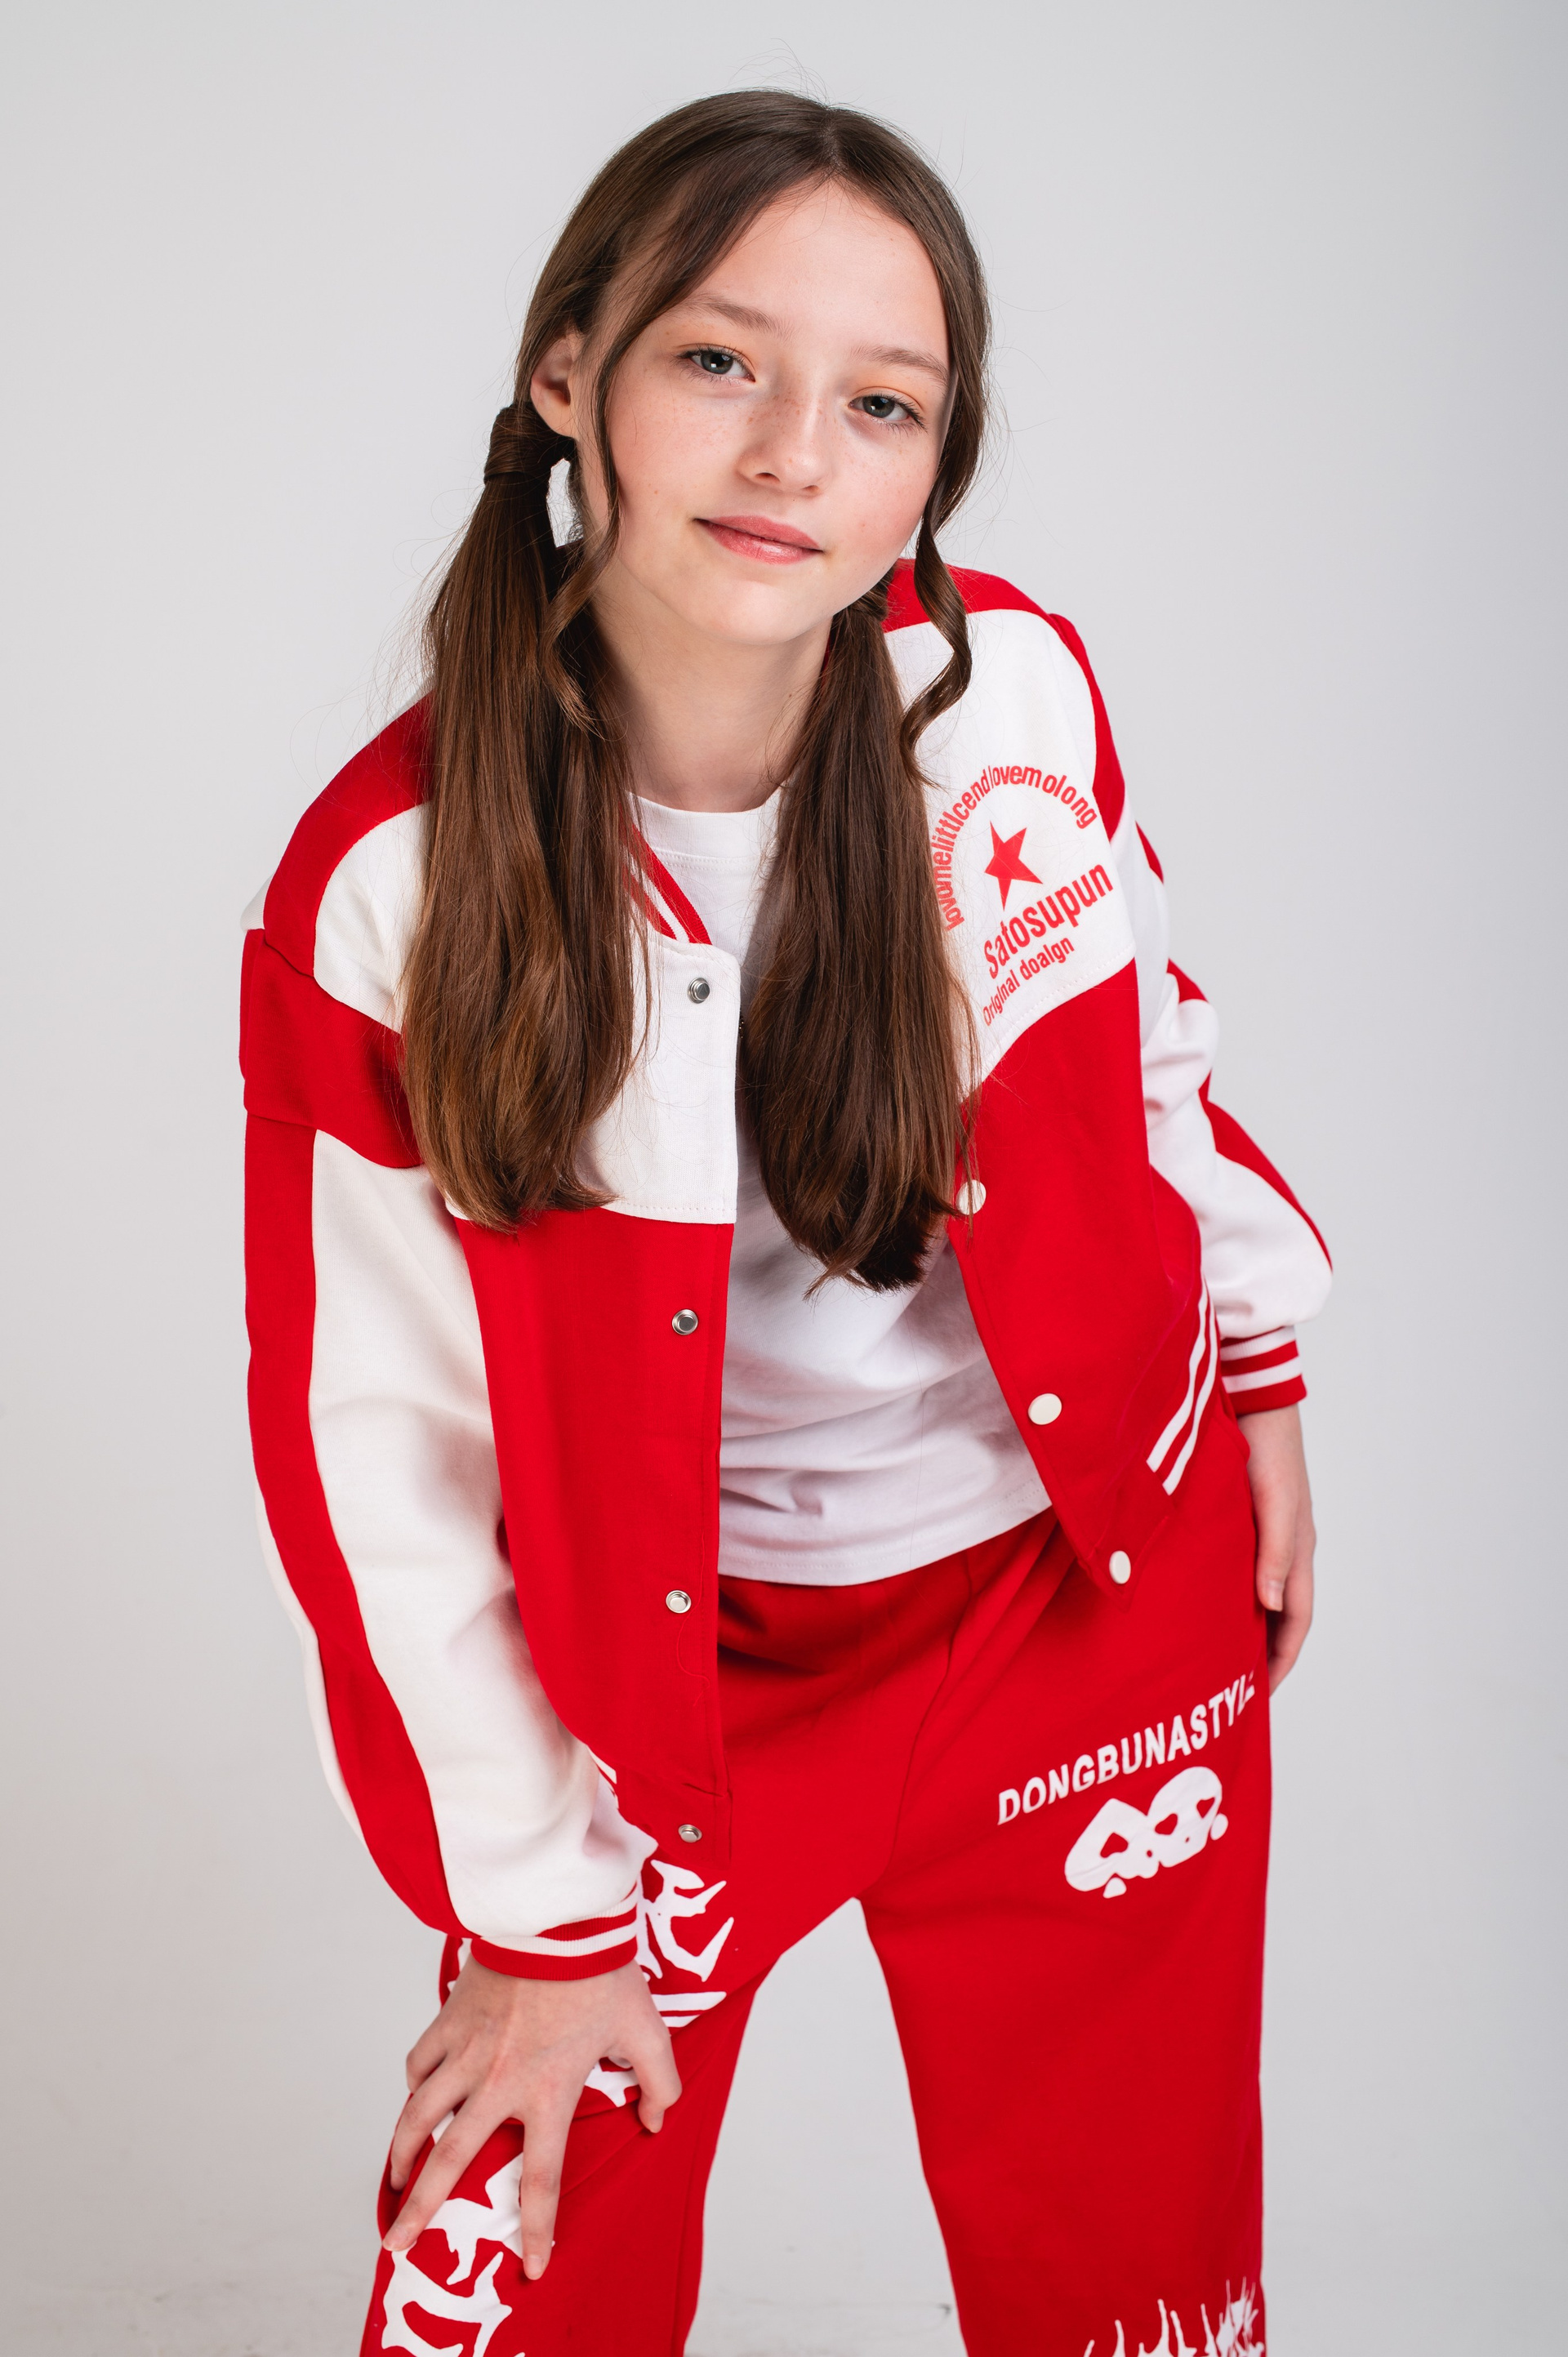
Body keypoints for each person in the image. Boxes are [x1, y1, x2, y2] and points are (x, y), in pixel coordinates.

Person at [242, 89, 1328, 2357]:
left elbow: (1149, 1053)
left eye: (883, 403)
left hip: (1080, 1600)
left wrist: (1256, 1381)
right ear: (571, 368)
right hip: (679, 1700)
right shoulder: (396, 886)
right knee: (507, 2272)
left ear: (937, 463)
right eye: (721, 359)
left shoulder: (1009, 699)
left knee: (1141, 2291)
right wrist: (536, 1919)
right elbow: (382, 1461)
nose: (792, 453)